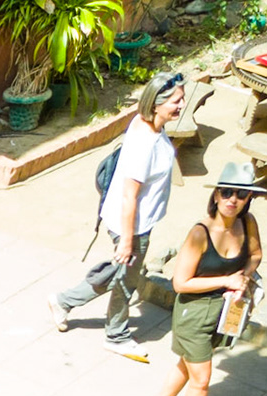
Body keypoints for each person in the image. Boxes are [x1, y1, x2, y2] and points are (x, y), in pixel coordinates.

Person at [48, 72, 186, 353]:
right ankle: (116, 335)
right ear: (156, 104)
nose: (181, 105)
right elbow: (129, 195)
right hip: (132, 224)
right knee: (126, 280)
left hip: (136, 222)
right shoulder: (145, 144)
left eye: (181, 98)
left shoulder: (147, 124)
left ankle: (63, 301)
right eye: (175, 100)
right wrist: (126, 239)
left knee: (119, 271)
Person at [150, 162, 266, 396]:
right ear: (215, 195)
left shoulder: (247, 223)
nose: (233, 200)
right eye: (227, 192)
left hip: (226, 310)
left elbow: (255, 254)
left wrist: (243, 276)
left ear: (248, 199)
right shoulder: (200, 233)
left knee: (188, 364)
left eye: (241, 195)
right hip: (194, 312)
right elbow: (180, 283)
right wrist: (225, 281)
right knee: (202, 378)